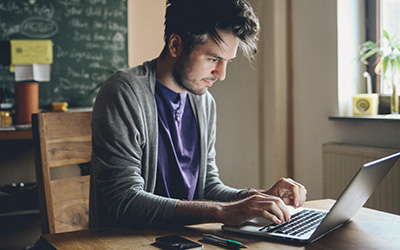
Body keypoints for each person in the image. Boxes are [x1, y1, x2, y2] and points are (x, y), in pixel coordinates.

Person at [89, 0, 307, 229]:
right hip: (127, 242)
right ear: (175, 45)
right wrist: (223, 211)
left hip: (184, 240)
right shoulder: (124, 92)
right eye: (213, 59)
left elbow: (207, 187)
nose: (221, 74)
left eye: (226, 62)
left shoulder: (204, 103)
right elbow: (123, 201)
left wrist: (256, 198)